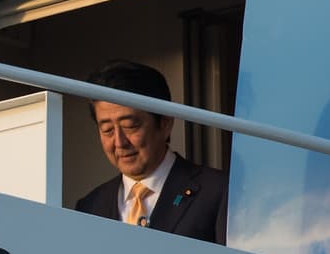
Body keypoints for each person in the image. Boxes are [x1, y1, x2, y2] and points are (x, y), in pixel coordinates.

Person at [75, 60, 228, 244]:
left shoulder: (217, 191)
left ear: (165, 124)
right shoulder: (90, 207)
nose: (119, 142)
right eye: (107, 130)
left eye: (130, 126)